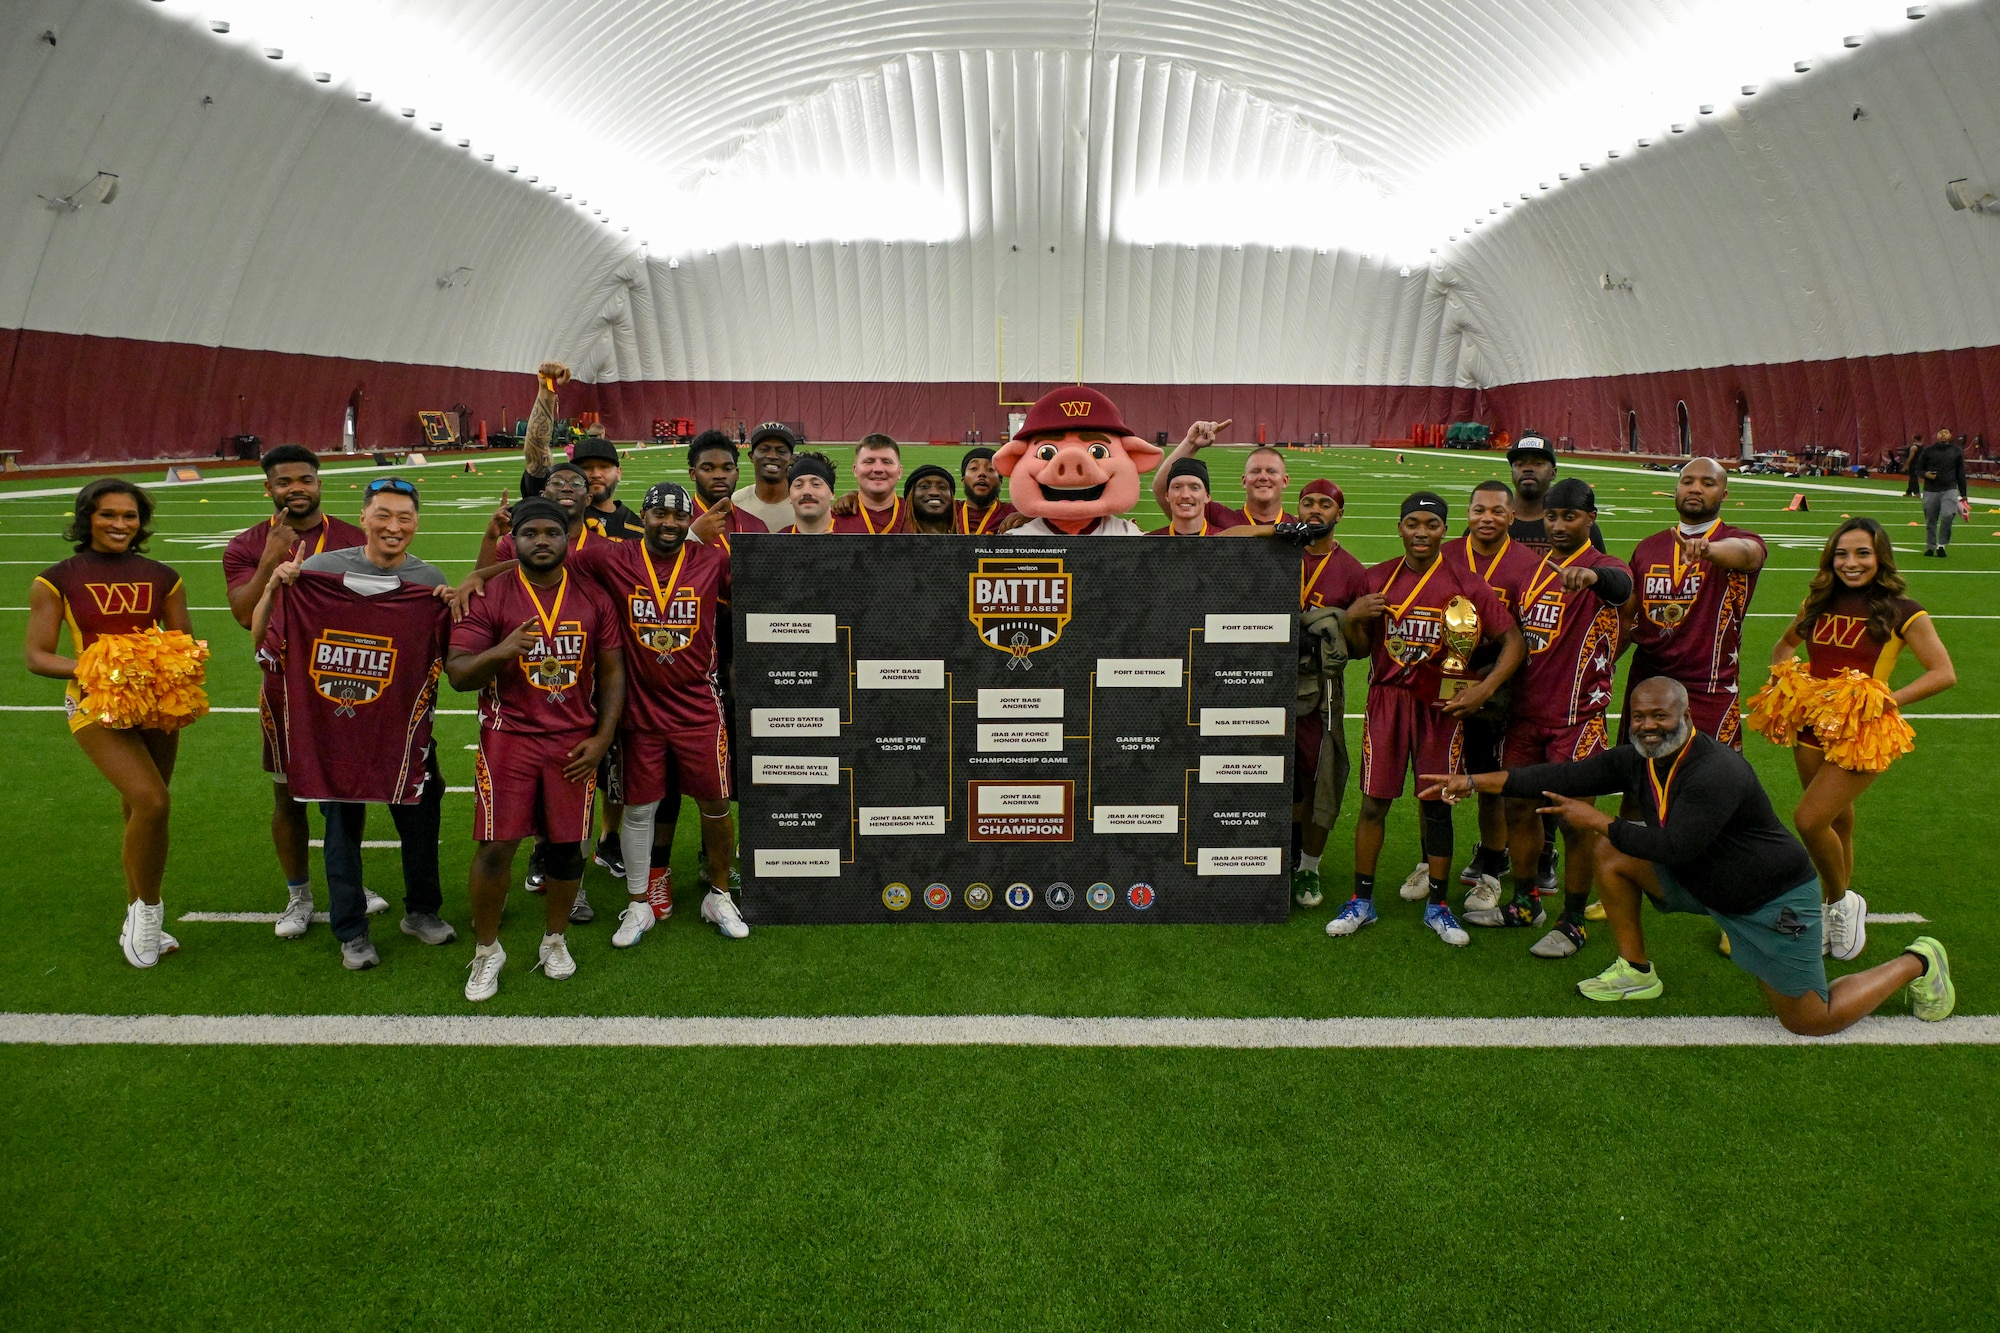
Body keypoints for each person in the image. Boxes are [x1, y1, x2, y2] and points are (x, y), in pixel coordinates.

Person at [1422, 677, 1956, 1034]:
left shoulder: (1716, 770)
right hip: (1704, 882)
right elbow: (1560, 776)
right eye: (1639, 716)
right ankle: (1636, 970)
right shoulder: (1639, 756)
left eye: (1659, 716)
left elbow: (1676, 845)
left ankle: (1919, 960)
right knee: (1613, 853)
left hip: (1767, 898)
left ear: (1686, 715)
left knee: (1810, 1019)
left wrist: (1600, 820)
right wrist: (1473, 781)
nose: (1648, 725)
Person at [459, 483, 751, 944]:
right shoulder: (613, 556)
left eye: (678, 517)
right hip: (638, 709)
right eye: (659, 515)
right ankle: (638, 904)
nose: (669, 524)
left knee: (715, 805)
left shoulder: (712, 560)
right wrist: (480, 576)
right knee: (639, 809)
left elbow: (767, 586)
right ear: (645, 517)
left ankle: (718, 894)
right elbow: (543, 561)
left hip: (699, 705)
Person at [253, 477, 458, 970]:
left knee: (422, 813)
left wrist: (453, 607)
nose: (393, 526)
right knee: (341, 828)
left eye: (404, 518)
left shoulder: (427, 583)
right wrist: (275, 586)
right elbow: (264, 640)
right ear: (363, 518)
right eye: (383, 515)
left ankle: (423, 911)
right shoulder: (316, 574)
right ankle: (351, 930)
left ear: (416, 524)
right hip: (335, 734)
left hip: (401, 734)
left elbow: (451, 660)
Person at [1325, 491, 1524, 948]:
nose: (1420, 532)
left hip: (1440, 707)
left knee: (1437, 803)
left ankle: (1438, 905)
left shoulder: (1466, 583)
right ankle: (1361, 900)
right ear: (1400, 527)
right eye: (1412, 523)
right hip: (1387, 702)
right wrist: (1354, 619)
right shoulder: (1378, 578)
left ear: (1444, 531)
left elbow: (1512, 639)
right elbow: (1357, 650)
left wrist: (1485, 688)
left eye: (1431, 525)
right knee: (1375, 801)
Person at [446, 499, 626, 1001]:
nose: (542, 541)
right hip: (509, 737)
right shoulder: (487, 595)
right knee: (497, 845)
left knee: (567, 848)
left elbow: (612, 672)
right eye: (530, 534)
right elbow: (458, 673)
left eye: (551, 533)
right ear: (515, 541)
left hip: (573, 741)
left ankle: (554, 940)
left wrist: (603, 737)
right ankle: (487, 951)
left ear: (566, 539)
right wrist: (502, 650)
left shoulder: (593, 596)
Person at [1753, 518, 1955, 962]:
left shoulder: (1905, 611)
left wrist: (1884, 701)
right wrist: (1788, 681)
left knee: (1809, 819)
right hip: (1811, 724)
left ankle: (1840, 902)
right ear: (1831, 558)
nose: (1851, 563)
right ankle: (1834, 904)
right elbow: (1783, 647)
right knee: (1837, 820)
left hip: (1862, 733)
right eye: (1842, 554)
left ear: (1880, 557)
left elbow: (1943, 673)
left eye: (1862, 553)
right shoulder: (1817, 602)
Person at [25, 480, 200, 968]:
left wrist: (167, 661)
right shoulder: (55, 579)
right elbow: (37, 656)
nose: (120, 524)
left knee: (141, 810)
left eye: (130, 515)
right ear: (87, 518)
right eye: (108, 515)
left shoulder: (164, 575)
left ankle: (135, 909)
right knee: (153, 799)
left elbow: (183, 642)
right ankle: (148, 912)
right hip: (93, 703)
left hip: (156, 705)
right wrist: (104, 663)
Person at [221, 445, 381, 938]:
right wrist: (272, 555)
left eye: (305, 480)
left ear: (319, 483)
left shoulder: (356, 536)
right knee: (287, 795)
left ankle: (348, 887)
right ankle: (299, 895)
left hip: (342, 680)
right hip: (283, 685)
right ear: (268, 488)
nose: (297, 488)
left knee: (344, 794)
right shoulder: (245, 545)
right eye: (285, 482)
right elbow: (246, 614)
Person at [1475, 479, 1632, 958]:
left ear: (1591, 518)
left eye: (1570, 517)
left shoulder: (1606, 566)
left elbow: (1622, 587)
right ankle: (1526, 903)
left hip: (1577, 719)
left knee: (1575, 822)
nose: (1559, 525)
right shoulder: (1532, 571)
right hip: (1524, 716)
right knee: (1517, 809)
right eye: (1552, 517)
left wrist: (1592, 580)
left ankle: (1573, 919)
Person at [477, 460, 624, 906]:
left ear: (589, 495)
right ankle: (543, 857)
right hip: (530, 680)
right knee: (538, 793)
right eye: (556, 482)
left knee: (586, 782)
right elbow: (493, 581)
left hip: (590, 675)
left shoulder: (602, 547)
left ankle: (589, 856)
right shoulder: (520, 538)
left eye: (575, 482)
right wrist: (479, 567)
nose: (565, 488)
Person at [1430, 480, 1551, 914]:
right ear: (1467, 513)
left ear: (1511, 516)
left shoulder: (1528, 564)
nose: (1487, 518)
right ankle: (1432, 861)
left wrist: (1492, 685)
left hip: (1497, 688)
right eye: (1479, 509)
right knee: (1433, 775)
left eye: (1497, 511)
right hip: (1442, 683)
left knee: (1488, 780)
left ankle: (1491, 863)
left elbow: (1525, 635)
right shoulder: (1444, 555)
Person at [1623, 457, 1765, 749]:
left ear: (1723, 495)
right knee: (1643, 780)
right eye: (1687, 482)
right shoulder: (1648, 547)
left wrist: (1709, 549)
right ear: (1676, 489)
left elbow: (1748, 554)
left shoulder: (1737, 540)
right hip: (1649, 682)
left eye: (1707, 483)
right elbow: (1627, 619)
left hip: (1708, 685)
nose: (1695, 489)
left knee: (1712, 781)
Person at [1290, 479, 1372, 907]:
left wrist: (1347, 619)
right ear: (1296, 510)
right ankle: (1274, 856)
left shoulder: (1353, 571)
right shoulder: (1277, 550)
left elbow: (1360, 649)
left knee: (1319, 775)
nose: (1316, 510)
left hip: (1321, 689)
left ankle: (1309, 867)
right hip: (1263, 680)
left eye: (1326, 504)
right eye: (1308, 503)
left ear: (1340, 514)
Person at [1152, 421, 1294, 527]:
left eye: (1271, 471)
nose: (1263, 477)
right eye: (1255, 471)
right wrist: (1191, 443)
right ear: (1244, 481)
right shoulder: (1218, 519)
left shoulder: (1298, 527)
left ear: (1285, 480)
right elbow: (1163, 489)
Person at [1505, 433, 1606, 553]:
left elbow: (1602, 566)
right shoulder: (1497, 522)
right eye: (1520, 464)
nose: (1528, 468)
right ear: (1512, 473)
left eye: (1538, 463)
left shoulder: (1578, 525)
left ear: (1553, 473)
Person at [687, 430, 770, 552]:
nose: (719, 475)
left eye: (727, 468)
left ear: (737, 473)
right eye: (708, 469)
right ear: (693, 474)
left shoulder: (756, 526)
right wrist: (692, 537)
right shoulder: (678, 524)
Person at [830, 434, 909, 532]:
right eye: (869, 462)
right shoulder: (833, 518)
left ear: (899, 471)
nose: (878, 469)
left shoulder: (915, 514)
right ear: (855, 470)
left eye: (886, 462)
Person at [732, 423, 802, 531]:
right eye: (764, 449)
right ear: (751, 457)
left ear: (791, 458)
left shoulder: (805, 504)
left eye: (781, 451)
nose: (772, 456)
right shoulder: (736, 502)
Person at [1914, 428, 1968, 557]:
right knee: (1930, 520)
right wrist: (1926, 474)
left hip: (1950, 489)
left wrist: (1964, 493)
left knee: (1948, 515)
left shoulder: (1956, 451)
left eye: (1946, 432)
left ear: (1951, 435)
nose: (1943, 434)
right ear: (1936, 435)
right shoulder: (1928, 451)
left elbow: (1960, 473)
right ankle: (1930, 546)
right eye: (1940, 432)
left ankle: (1942, 545)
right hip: (1931, 490)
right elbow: (1918, 469)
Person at [1148, 458, 1219, 536]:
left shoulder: (1226, 542)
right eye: (1177, 487)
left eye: (1194, 488)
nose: (1185, 495)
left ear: (1207, 496)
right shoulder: (1147, 543)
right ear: (1167, 495)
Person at [955, 447, 1016, 533]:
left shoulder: (1012, 514)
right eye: (974, 468)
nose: (982, 473)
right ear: (963, 480)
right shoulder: (951, 510)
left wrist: (1028, 517)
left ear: (1000, 481)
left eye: (990, 469)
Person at [778, 453, 839, 533]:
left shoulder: (853, 533)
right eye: (798, 485)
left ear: (832, 493)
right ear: (789, 495)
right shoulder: (778, 541)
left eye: (816, 484)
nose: (806, 491)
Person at [904, 464, 957, 533]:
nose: (934, 492)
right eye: (924, 486)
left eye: (942, 487)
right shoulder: (896, 532)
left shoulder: (965, 531)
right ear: (911, 495)